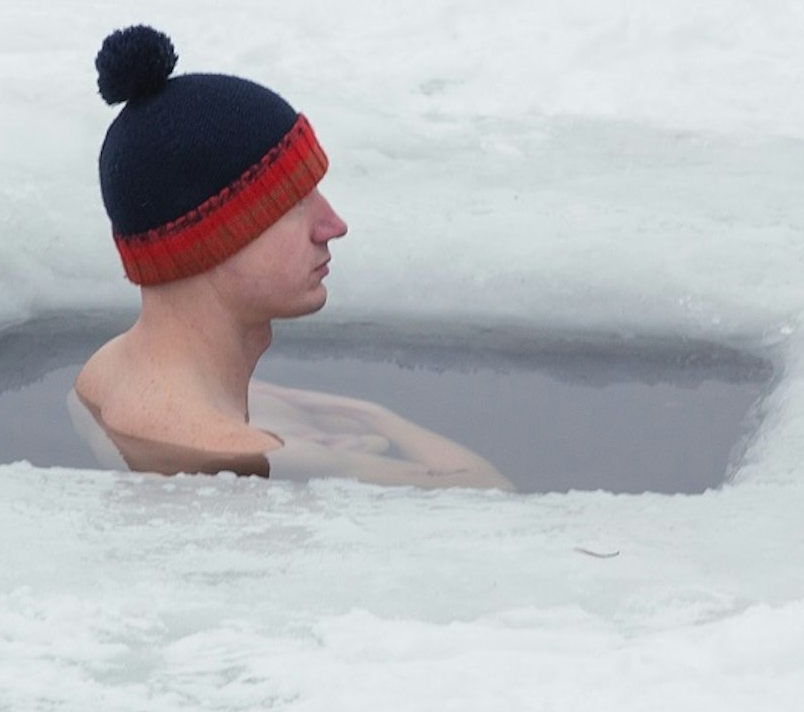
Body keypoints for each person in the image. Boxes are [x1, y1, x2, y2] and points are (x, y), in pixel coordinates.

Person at [69, 26, 508, 489]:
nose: (334, 226)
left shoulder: (106, 374)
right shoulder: (236, 455)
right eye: (293, 203)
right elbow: (486, 490)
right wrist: (374, 416)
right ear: (211, 241)